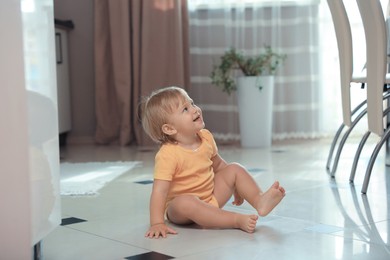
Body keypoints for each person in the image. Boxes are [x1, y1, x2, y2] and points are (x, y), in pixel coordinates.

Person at [140, 86, 285, 239]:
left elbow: (220, 167)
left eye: (192, 103)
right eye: (185, 109)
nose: (195, 110)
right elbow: (159, 192)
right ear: (169, 129)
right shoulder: (168, 154)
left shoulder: (205, 137)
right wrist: (156, 223)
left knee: (234, 168)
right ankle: (235, 220)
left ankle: (260, 200)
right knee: (185, 201)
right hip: (180, 212)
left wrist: (237, 186)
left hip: (211, 199)